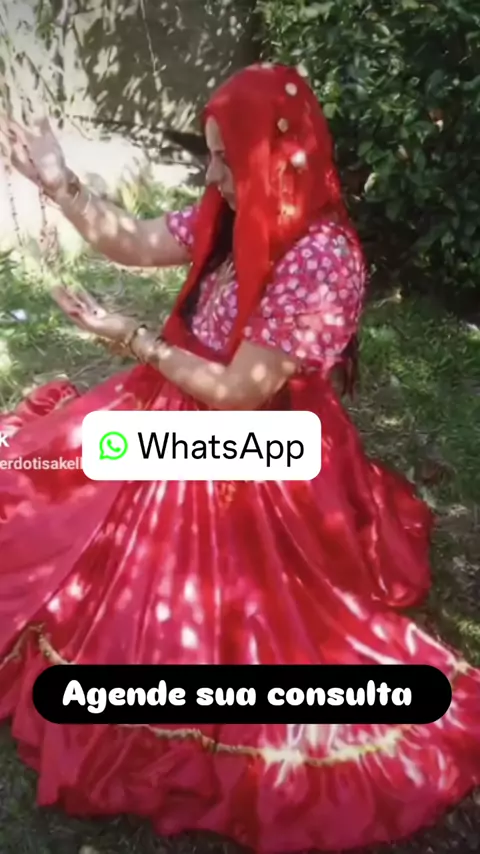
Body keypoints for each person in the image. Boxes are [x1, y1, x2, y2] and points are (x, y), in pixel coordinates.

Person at [0, 64, 479, 853]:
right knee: (55, 495)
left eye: (227, 158)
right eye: (213, 155)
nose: (212, 175)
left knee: (180, 593)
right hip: (176, 405)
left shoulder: (322, 258)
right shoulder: (233, 208)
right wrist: (63, 185)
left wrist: (135, 339)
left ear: (276, 156)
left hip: (257, 448)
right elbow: (135, 241)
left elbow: (237, 394)